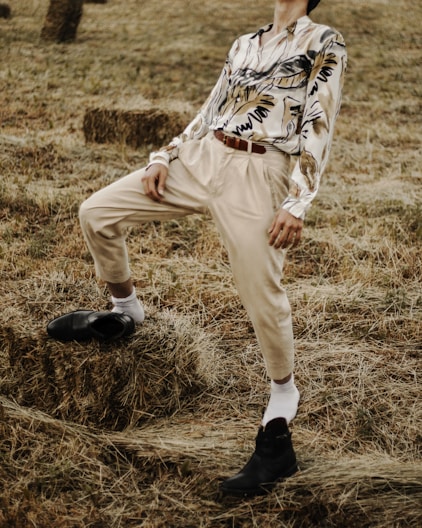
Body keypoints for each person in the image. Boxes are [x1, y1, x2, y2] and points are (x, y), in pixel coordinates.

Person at [78, 0, 346, 497]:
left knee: (259, 285)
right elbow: (210, 108)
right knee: (96, 212)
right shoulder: (245, 43)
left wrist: (298, 200)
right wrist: (164, 155)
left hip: (258, 168)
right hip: (203, 156)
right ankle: (126, 310)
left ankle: (283, 395)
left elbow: (319, 121)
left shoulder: (323, 41)